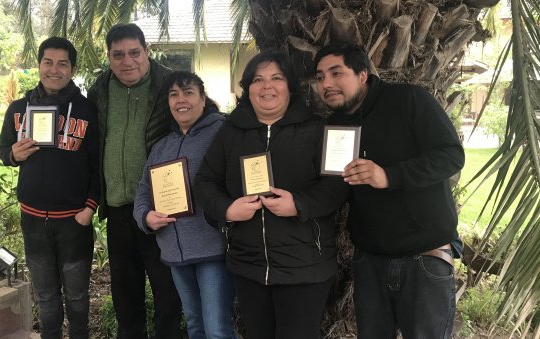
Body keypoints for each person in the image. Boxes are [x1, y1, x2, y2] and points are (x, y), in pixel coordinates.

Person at [194, 51, 349, 339]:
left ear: (290, 86)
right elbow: (204, 181)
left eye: (276, 78)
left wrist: (299, 204)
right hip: (248, 265)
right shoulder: (231, 131)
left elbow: (338, 185)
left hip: (305, 266)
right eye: (258, 79)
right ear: (248, 88)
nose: (267, 86)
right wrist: (228, 210)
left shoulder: (316, 129)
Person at [314, 43, 465, 339]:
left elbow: (450, 155)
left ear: (362, 75)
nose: (326, 84)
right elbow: (336, 185)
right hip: (369, 260)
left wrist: (390, 176)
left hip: (424, 257)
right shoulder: (336, 124)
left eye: (336, 73)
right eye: (319, 77)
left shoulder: (409, 99)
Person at [0, 36, 98, 339]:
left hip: (73, 222)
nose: (54, 70)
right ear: (39, 65)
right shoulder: (18, 108)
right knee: (45, 297)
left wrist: (90, 207)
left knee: (78, 298)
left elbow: (97, 163)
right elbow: (4, 151)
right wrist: (14, 154)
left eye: (62, 64)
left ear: (72, 68)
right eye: (48, 62)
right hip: (33, 222)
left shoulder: (86, 110)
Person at [86, 23, 182, 339]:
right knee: (126, 297)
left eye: (134, 53)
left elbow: (203, 119)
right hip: (118, 211)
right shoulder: (100, 89)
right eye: (118, 55)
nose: (128, 62)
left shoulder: (170, 83)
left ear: (146, 51)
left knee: (168, 293)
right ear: (109, 57)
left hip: (161, 212)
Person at [133, 71, 236, 339]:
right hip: (175, 252)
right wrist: (145, 217)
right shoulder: (162, 146)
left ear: (203, 99)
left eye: (188, 93)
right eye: (174, 94)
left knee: (217, 329)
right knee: (194, 325)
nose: (181, 100)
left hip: (212, 249)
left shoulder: (223, 132)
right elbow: (143, 190)